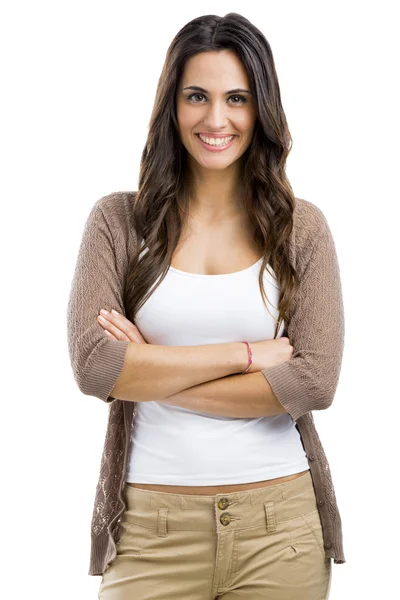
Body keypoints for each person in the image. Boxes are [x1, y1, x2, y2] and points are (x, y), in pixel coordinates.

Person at [67, 12, 344, 599]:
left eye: (237, 98)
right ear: (172, 105)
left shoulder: (302, 230)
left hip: (280, 526)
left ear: (260, 109)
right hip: (150, 528)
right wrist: (247, 354)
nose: (216, 119)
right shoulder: (117, 223)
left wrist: (147, 370)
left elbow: (315, 381)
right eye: (197, 96)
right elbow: (95, 367)